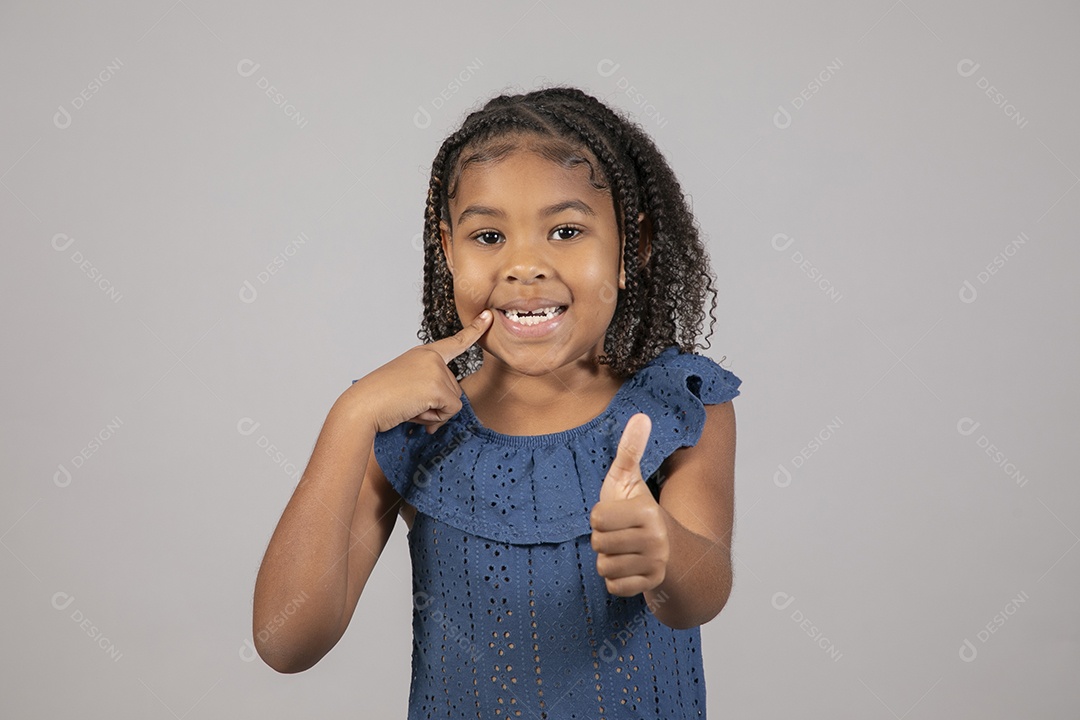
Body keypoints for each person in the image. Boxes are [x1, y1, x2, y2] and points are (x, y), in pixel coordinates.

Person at [253, 86, 742, 719]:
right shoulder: (415, 427)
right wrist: (350, 417)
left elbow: (701, 596)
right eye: (488, 236)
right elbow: (286, 641)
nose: (524, 266)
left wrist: (663, 549)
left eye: (566, 230)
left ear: (633, 249)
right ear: (447, 248)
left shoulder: (678, 404)